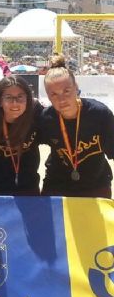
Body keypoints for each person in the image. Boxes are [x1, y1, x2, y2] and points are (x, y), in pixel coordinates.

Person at [38, 54, 114, 198]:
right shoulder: (46, 119)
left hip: (96, 185)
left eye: (66, 91)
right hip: (57, 185)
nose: (62, 99)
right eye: (54, 94)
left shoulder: (100, 114)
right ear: (47, 96)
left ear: (76, 88)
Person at [0, 76, 42, 196]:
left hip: (28, 188)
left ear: (28, 99)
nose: (15, 103)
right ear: (0, 101)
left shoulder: (36, 115)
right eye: (8, 97)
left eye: (20, 97)